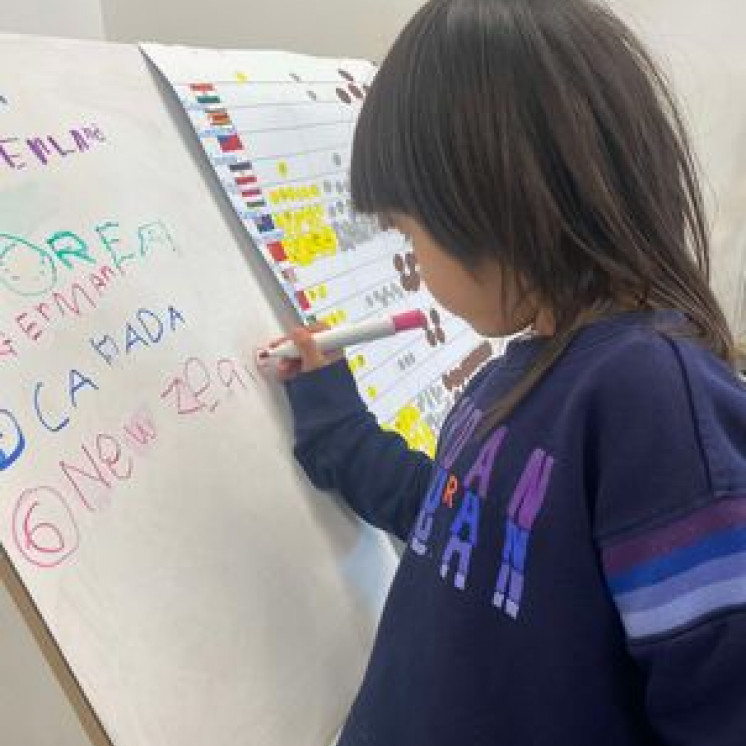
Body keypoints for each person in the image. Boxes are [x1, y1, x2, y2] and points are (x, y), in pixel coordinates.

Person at [265, 1, 746, 743]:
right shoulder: (521, 372)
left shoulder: (651, 400)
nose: (412, 265)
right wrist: (328, 406)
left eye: (408, 233)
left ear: (495, 201)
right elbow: (448, 515)